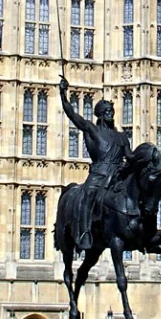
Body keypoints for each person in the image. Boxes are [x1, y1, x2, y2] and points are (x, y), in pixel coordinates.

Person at [59, 77, 132, 249]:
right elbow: (73, 115)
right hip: (99, 174)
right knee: (87, 195)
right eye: (106, 111)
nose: (110, 114)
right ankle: (84, 233)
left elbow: (131, 157)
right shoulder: (93, 129)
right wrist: (63, 94)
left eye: (111, 111)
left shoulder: (121, 137)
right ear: (100, 114)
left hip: (117, 175)